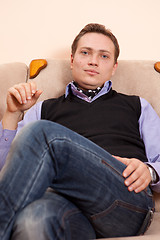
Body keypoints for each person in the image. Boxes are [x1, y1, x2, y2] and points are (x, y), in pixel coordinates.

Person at [0, 23, 160, 240]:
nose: (93, 61)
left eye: (104, 56)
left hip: (124, 199)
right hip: (65, 205)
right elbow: (11, 174)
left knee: (44, 134)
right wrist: (11, 114)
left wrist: (149, 171)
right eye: (85, 53)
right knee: (33, 221)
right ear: (73, 59)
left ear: (114, 67)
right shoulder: (42, 109)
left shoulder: (138, 105)